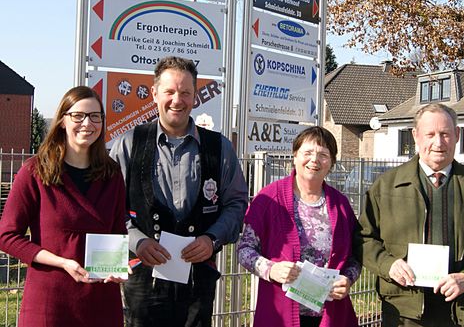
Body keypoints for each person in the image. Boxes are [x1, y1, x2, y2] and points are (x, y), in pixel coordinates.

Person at [110, 56, 248, 327]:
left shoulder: (219, 148)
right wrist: (137, 240)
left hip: (198, 279)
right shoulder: (128, 144)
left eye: (185, 92)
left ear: (195, 96)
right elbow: (109, 209)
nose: (177, 100)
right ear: (154, 94)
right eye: (170, 92)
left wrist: (212, 239)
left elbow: (236, 204)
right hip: (142, 279)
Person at [355, 103, 464, 327]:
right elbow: (363, 238)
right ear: (416, 136)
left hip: (462, 311)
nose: (438, 143)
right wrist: (388, 264)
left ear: (458, 135)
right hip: (403, 312)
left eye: (445, 134)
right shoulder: (385, 187)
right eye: (430, 134)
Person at [0, 86, 126, 327]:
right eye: (78, 116)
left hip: (101, 301)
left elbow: (118, 231)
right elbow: (6, 235)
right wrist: (62, 262)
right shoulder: (35, 172)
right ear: (62, 121)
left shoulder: (112, 173)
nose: (87, 123)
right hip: (51, 300)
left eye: (95, 116)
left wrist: (118, 266)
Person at [238, 126, 361, 327]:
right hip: (281, 313)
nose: (314, 160)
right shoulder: (270, 198)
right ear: (295, 156)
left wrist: (347, 279)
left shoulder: (341, 205)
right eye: (308, 153)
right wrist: (271, 269)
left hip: (330, 315)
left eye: (323, 155)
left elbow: (355, 256)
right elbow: (244, 250)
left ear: (331, 163)